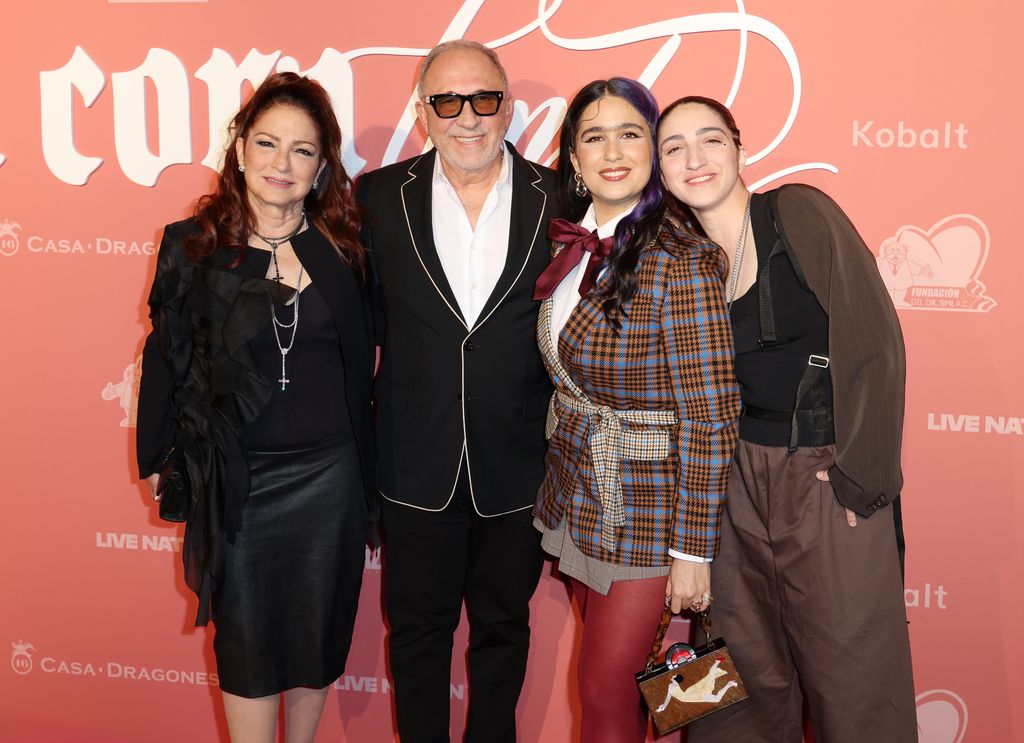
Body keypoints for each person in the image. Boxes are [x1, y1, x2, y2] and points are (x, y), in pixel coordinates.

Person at [656, 95, 916, 742]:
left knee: (856, 687)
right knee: (729, 691)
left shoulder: (799, 211)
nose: (695, 159)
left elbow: (876, 342)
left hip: (825, 477)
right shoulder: (677, 260)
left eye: (711, 140)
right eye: (674, 147)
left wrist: (863, 475)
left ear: (740, 149)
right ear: (657, 169)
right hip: (727, 488)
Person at [136, 72, 376, 743]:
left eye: (302, 150)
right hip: (236, 481)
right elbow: (166, 354)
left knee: (315, 634)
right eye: (267, 143)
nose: (281, 163)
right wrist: (158, 453)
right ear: (239, 148)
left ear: (322, 166)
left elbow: (373, 362)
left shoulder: (346, 250)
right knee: (244, 642)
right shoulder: (193, 245)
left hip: (332, 480)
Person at [354, 41, 558, 743]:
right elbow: (359, 325)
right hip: (414, 460)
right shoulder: (376, 197)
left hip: (521, 463)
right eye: (447, 100)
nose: (467, 117)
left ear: (509, 107)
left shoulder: (561, 196)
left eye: (484, 99)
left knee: (505, 629)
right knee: (416, 635)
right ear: (422, 113)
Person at [531, 78, 740, 743]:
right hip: (579, 496)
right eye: (594, 135)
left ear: (654, 148)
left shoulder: (682, 258)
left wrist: (691, 551)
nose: (613, 150)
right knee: (633, 685)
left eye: (631, 133)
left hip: (652, 511)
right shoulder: (573, 244)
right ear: (573, 157)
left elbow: (711, 414)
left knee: (603, 686)